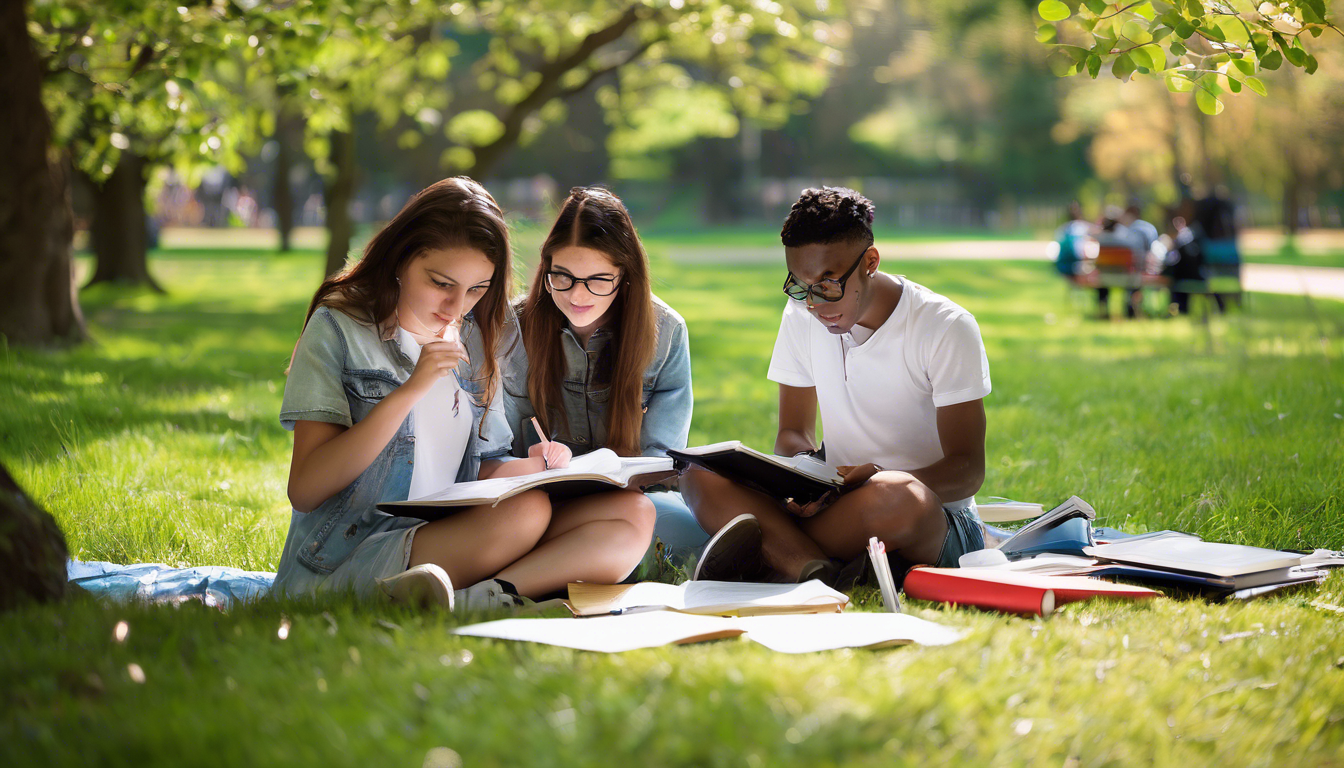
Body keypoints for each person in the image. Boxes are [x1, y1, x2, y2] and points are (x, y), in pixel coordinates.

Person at [273, 177, 655, 611]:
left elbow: (480, 471)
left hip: (451, 535)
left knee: (633, 515)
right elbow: (305, 489)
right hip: (349, 555)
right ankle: (479, 597)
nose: (457, 307)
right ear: (401, 259)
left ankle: (488, 598)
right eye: (441, 283)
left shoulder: (475, 336)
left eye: (477, 289)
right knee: (526, 515)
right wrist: (409, 391)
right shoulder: (339, 328)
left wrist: (537, 467)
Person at [681, 186, 991, 584]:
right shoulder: (801, 314)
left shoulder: (945, 326)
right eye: (800, 285)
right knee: (697, 472)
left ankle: (774, 552)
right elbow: (793, 434)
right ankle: (810, 565)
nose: (814, 304)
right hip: (834, 508)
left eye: (828, 285)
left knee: (899, 497)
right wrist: (805, 482)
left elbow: (967, 469)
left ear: (870, 262)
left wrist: (879, 477)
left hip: (932, 516)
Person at [502, 187, 705, 571]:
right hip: (532, 502)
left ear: (624, 274)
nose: (578, 294)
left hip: (629, 500)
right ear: (546, 268)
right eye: (562, 276)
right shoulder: (512, 328)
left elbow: (660, 460)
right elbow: (497, 448)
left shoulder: (666, 332)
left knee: (682, 528)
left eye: (597, 279)